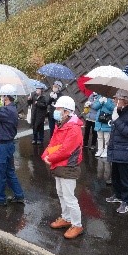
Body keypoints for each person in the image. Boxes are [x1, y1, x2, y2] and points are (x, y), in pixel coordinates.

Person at [41, 96, 84, 239]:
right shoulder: (60, 124)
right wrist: (45, 155)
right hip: (59, 165)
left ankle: (77, 224)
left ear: (67, 111)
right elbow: (53, 143)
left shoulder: (74, 128)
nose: (56, 111)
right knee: (61, 193)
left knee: (69, 197)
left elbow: (66, 149)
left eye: (58, 109)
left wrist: (50, 157)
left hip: (68, 167)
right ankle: (66, 218)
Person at [106, 89, 128, 214]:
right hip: (116, 150)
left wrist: (117, 120)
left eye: (117, 99)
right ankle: (118, 195)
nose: (114, 100)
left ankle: (127, 202)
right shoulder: (118, 112)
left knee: (126, 179)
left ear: (125, 101)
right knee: (115, 176)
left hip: (126, 152)